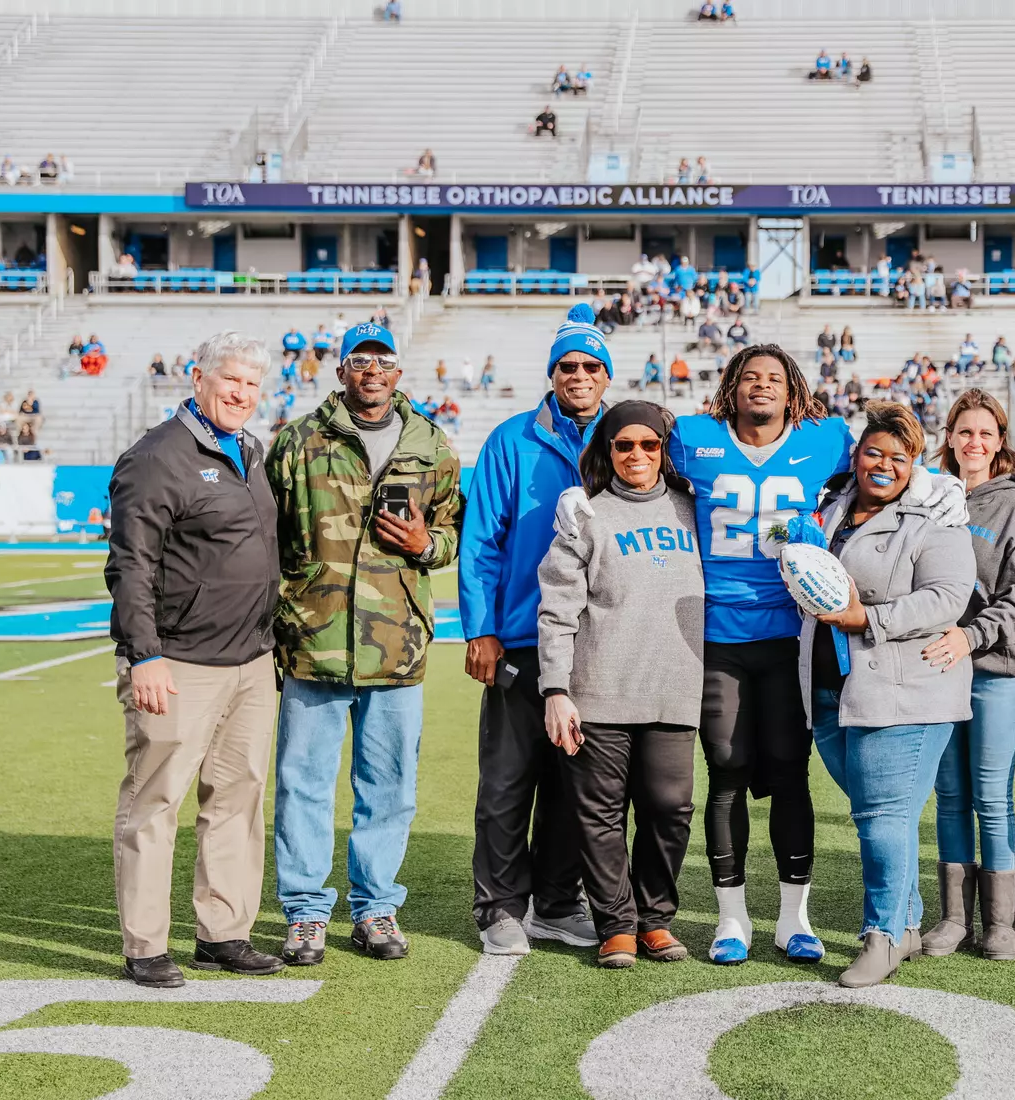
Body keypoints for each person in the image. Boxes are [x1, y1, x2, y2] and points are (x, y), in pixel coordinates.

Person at [557, 347, 964, 967]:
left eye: (774, 378)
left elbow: (880, 456)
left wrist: (936, 484)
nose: (761, 387)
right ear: (732, 386)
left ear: (792, 388)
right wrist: (580, 491)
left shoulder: (823, 438)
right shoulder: (693, 436)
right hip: (718, 635)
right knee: (725, 769)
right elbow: (625, 436)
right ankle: (731, 920)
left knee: (787, 774)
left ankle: (793, 919)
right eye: (750, 377)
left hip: (790, 635)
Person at [268, 322, 463, 966]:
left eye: (383, 361)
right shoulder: (298, 440)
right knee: (304, 782)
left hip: (396, 644)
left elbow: (449, 535)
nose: (372, 372)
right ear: (341, 371)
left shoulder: (431, 445)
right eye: (360, 361)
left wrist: (423, 547)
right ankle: (303, 913)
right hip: (313, 640)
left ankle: (376, 907)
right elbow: (265, 536)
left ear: (398, 372)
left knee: (390, 787)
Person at [104, 331, 283, 988]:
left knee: (237, 800)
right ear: (198, 378)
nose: (241, 394)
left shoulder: (250, 452)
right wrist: (144, 655)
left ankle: (224, 933)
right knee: (155, 803)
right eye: (230, 379)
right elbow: (130, 565)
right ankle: (145, 945)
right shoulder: (157, 458)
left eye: (252, 385)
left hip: (251, 662)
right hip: (178, 663)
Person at [797, 401, 976, 986]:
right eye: (874, 452)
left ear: (915, 468)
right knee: (879, 815)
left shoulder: (935, 519)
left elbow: (948, 597)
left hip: (902, 691)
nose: (884, 465)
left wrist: (865, 619)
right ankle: (908, 922)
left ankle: (880, 935)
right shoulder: (830, 511)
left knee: (881, 818)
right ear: (856, 455)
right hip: (830, 691)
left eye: (900, 458)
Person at [461, 304, 611, 956]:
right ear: (552, 374)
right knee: (507, 781)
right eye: (567, 366)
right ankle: (498, 906)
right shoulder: (511, 440)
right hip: (522, 636)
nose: (578, 375)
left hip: (597, 644)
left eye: (590, 365)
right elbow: (481, 543)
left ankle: (555, 901)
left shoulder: (628, 439)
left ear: (607, 375)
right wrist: (482, 628)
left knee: (575, 784)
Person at [537, 401, 704, 968]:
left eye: (649, 444)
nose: (637, 455)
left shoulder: (695, 509)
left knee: (669, 807)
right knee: (600, 814)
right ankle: (618, 924)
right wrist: (556, 690)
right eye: (624, 445)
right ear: (606, 452)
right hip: (599, 689)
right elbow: (557, 612)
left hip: (675, 688)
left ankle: (656, 918)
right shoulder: (585, 516)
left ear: (665, 449)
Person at [922, 391, 1015, 963]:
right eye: (964, 432)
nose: (974, 443)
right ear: (949, 437)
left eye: (985, 434)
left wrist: (971, 635)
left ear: (1000, 442)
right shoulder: (926, 497)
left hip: (995, 669)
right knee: (949, 795)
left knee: (992, 795)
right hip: (936, 670)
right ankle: (952, 917)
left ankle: (1000, 923)